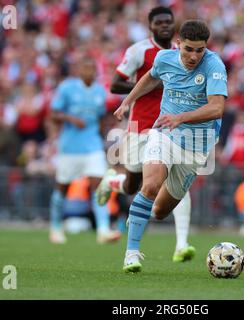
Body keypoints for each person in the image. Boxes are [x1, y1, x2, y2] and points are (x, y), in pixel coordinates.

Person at [113, 20, 228, 272]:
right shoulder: (165, 58)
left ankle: (137, 212)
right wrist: (127, 102)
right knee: (150, 184)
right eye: (189, 49)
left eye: (200, 50)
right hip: (164, 133)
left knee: (161, 210)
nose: (194, 56)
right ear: (179, 45)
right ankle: (131, 254)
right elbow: (150, 78)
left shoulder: (214, 65)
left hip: (196, 145)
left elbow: (217, 107)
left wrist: (181, 118)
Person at [96, 7, 195, 262]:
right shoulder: (139, 50)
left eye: (168, 22)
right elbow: (115, 83)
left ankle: (182, 244)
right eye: (159, 22)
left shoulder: (184, 51)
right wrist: (150, 86)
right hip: (141, 126)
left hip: (171, 127)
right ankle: (112, 182)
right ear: (150, 26)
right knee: (133, 185)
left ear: (174, 25)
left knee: (176, 180)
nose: (164, 26)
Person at [49, 56, 121, 244]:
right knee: (62, 188)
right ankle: (55, 226)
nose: (88, 71)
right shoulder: (67, 88)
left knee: (99, 185)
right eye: (85, 67)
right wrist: (71, 119)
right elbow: (53, 114)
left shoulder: (100, 91)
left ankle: (103, 229)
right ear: (79, 70)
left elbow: (100, 118)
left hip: (92, 146)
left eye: (91, 68)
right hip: (70, 147)